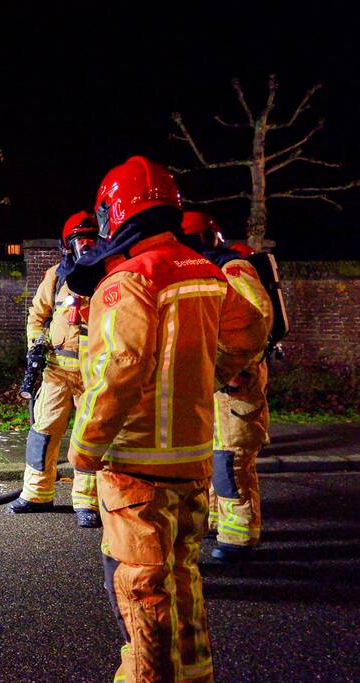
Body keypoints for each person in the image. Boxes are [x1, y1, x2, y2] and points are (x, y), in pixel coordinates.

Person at [63, 157, 268, 683]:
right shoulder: (207, 271)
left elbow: (118, 371)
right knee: (182, 580)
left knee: (141, 591)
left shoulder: (125, 282)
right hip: (193, 460)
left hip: (135, 468)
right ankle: (196, 674)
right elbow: (249, 333)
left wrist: (84, 447)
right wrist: (209, 374)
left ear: (117, 212)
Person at [181, 211, 273, 563]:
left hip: (237, 382)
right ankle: (220, 521)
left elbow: (258, 323)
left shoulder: (234, 269)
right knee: (214, 457)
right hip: (218, 380)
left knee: (231, 460)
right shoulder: (209, 272)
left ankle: (239, 537)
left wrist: (232, 369)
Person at [8, 212, 101, 528]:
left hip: (94, 374)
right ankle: (37, 493)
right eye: (79, 239)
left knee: (88, 437)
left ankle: (87, 502)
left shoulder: (110, 275)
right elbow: (37, 317)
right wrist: (36, 346)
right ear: (68, 244)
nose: (85, 244)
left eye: (90, 237)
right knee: (43, 431)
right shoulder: (56, 277)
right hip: (57, 370)